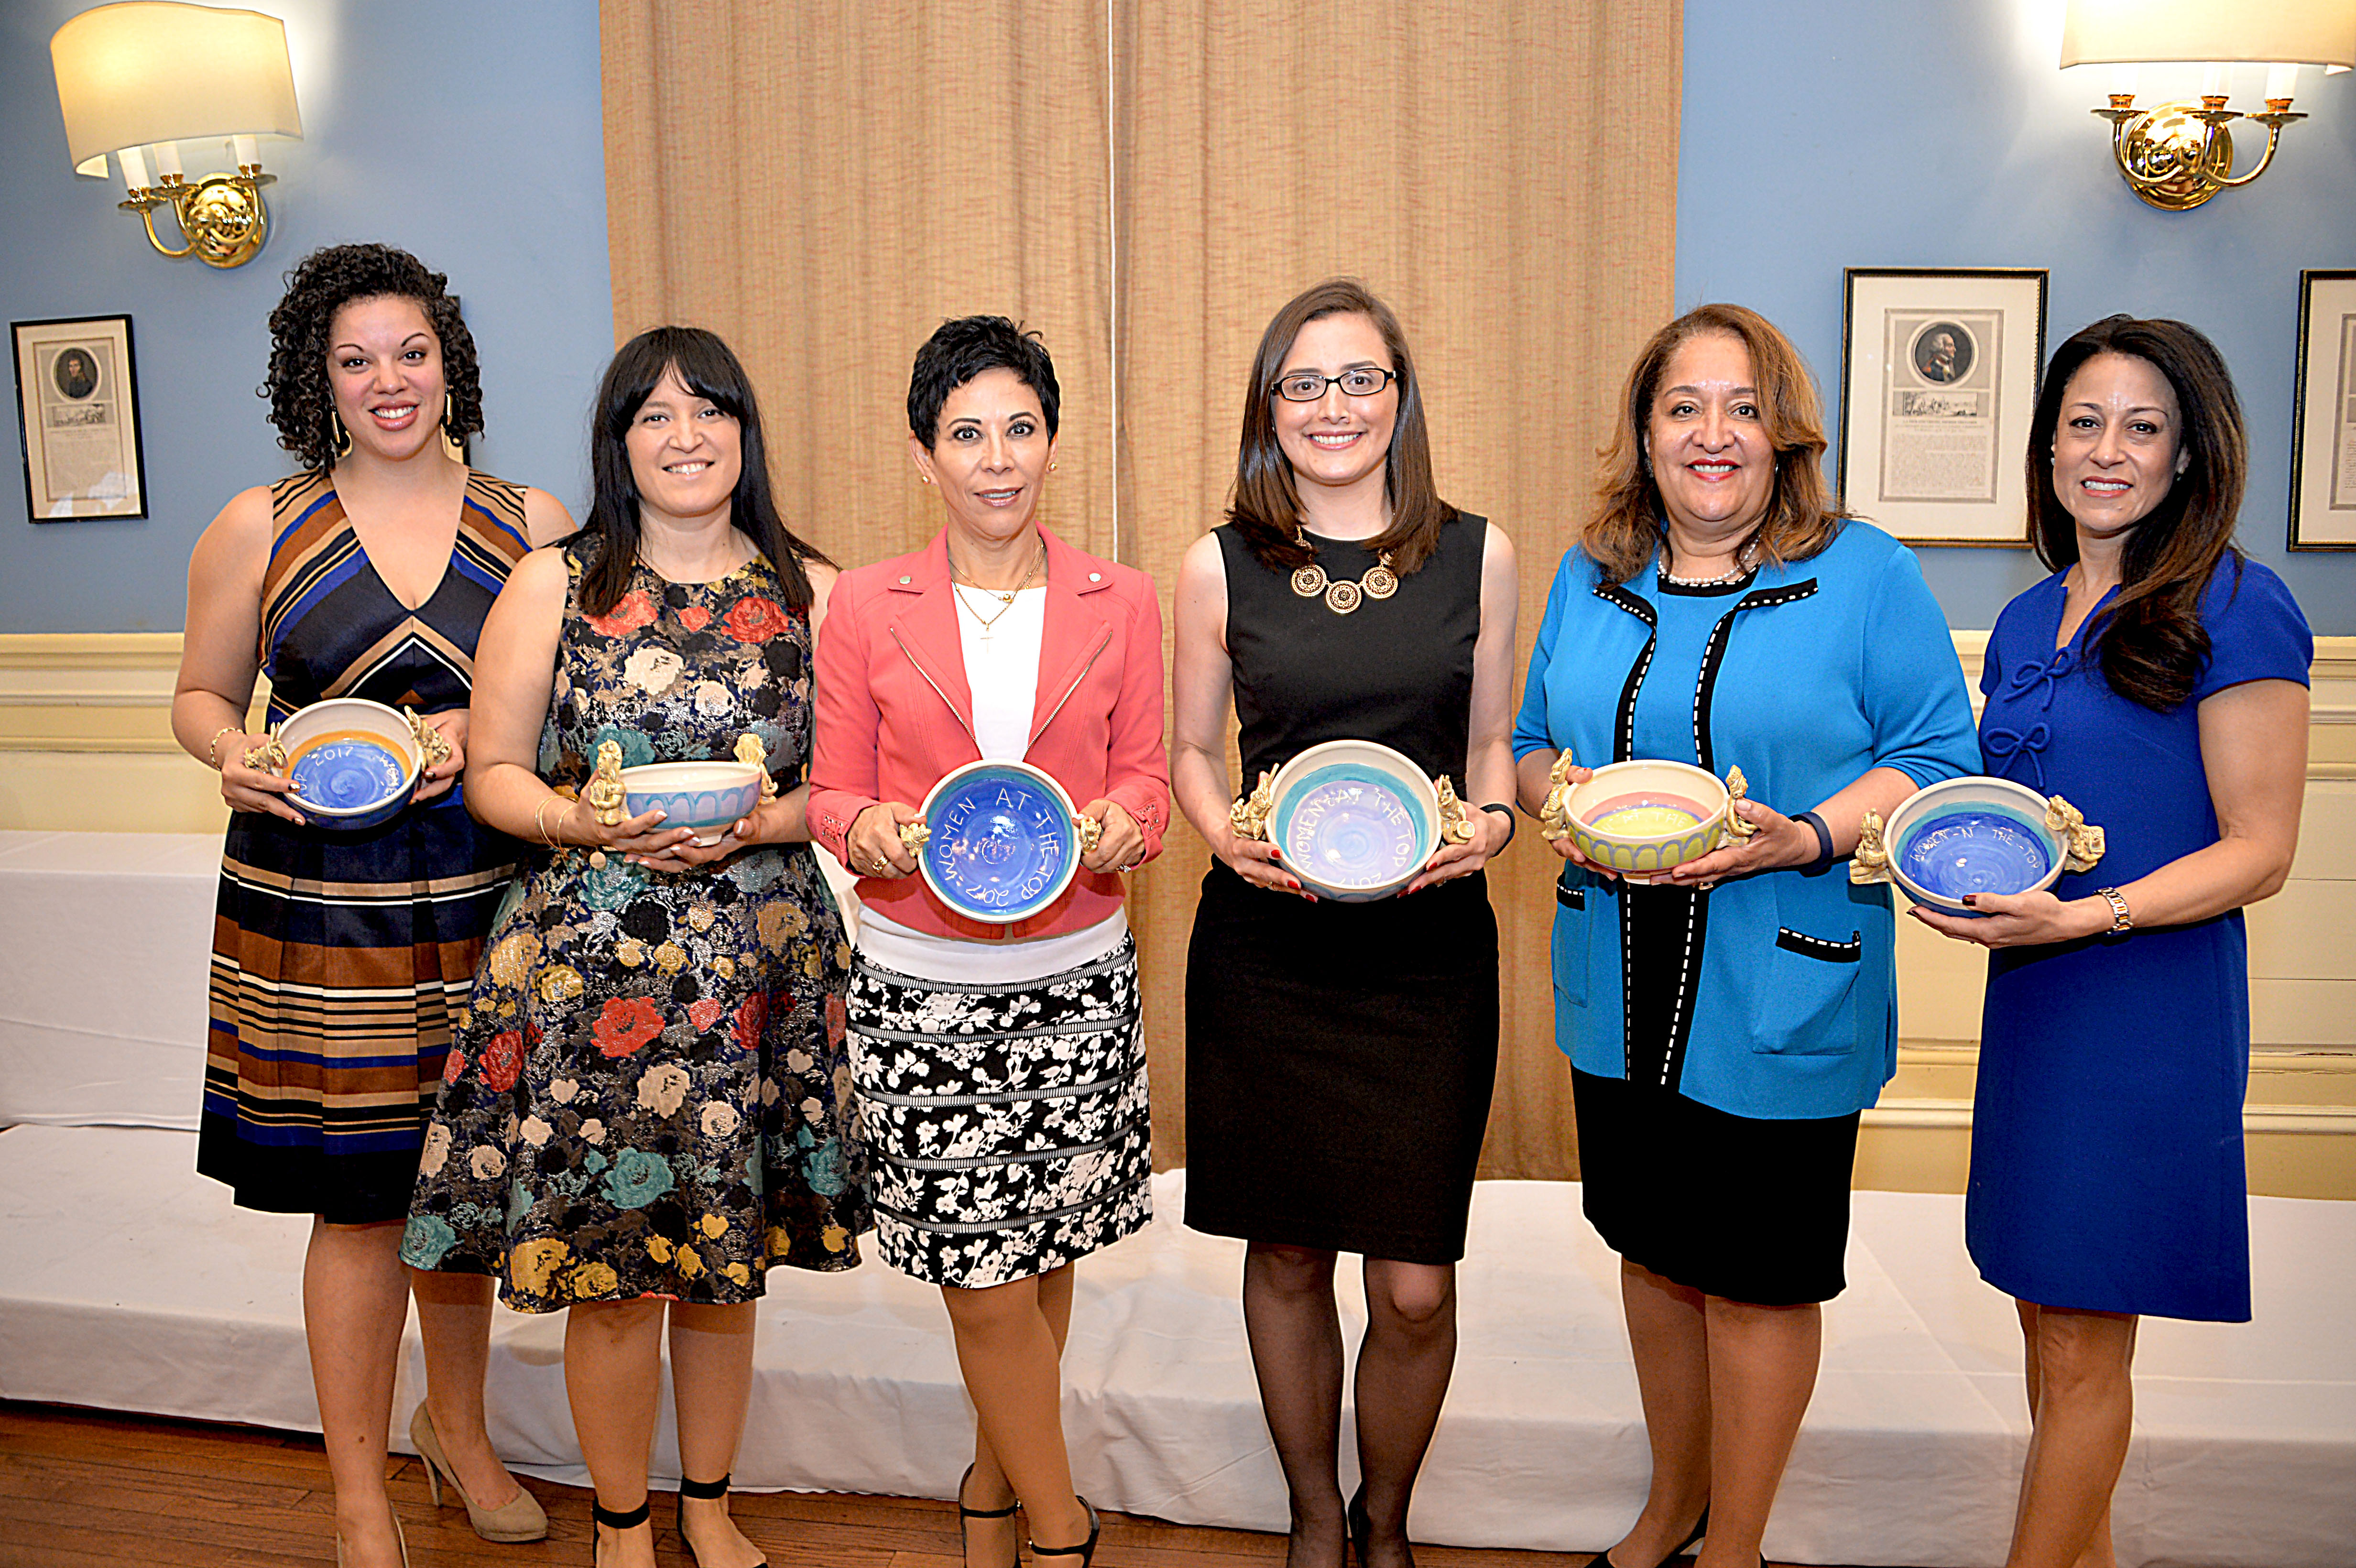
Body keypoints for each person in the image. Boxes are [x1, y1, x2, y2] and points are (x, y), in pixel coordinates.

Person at [1510, 303, 1978, 1568]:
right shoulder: (1591, 570)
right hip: (1618, 973)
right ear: (1645, 432)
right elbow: (1527, 745)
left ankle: (1738, 1549)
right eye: (1684, 408)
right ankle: (1672, 1506)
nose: (1713, 434)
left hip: (1783, 974)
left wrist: (1807, 834)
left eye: (1742, 407)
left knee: (1760, 1277)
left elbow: (1935, 758)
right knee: (1655, 1254)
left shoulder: (1864, 571)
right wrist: (1569, 803)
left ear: (1783, 433)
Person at [399, 326, 867, 1568]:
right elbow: (491, 774)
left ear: (743, 431)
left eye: (708, 410)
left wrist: (762, 821)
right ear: (619, 445)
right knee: (612, 1268)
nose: (685, 436)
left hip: (755, 976)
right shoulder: (556, 579)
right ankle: (621, 1523)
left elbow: (855, 783)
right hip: (589, 976)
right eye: (654, 416)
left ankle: (708, 1509)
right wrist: (579, 816)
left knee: (724, 1264)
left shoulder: (816, 584)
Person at [171, 243, 569, 1568]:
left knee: (459, 1195)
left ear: (448, 359)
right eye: (357, 360)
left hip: (490, 892)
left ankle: (458, 1433)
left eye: (411, 351)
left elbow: (584, 706)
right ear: (318, 380)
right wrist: (230, 753)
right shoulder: (259, 525)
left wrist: (494, 724)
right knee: (360, 1208)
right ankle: (357, 1494)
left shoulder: (539, 521)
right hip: (319, 905)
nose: (389, 381)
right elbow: (199, 697)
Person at [1910, 317, 2310, 1568]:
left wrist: (2087, 915)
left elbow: (2263, 845)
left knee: (2085, 1343)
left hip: (2147, 1007)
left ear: (2189, 454)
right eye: (2084, 422)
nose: (2107, 451)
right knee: (2048, 1320)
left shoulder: (2243, 605)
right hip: (2040, 1002)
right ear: (2046, 446)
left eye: (2144, 427)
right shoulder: (2030, 616)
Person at [807, 315, 1167, 1568]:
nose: (997, 458)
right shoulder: (863, 605)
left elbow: (1147, 784)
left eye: (1020, 429)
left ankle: (992, 1482)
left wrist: (1132, 824)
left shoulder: (1121, 599)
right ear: (925, 455)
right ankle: (1063, 1527)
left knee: (1046, 1238)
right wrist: (878, 833)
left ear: (1052, 443)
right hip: (923, 979)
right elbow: (829, 796)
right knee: (984, 1269)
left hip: (1074, 973)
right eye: (968, 434)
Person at [1171, 278, 1518, 1568]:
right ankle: (1318, 1518)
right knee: (1285, 1249)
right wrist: (1221, 833)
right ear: (1272, 407)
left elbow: (1491, 749)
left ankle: (1391, 1513)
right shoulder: (1219, 561)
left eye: (1360, 378)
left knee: (1416, 1283)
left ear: (1400, 396)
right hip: (1270, 947)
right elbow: (1191, 755)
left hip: (1428, 953)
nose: (1334, 406)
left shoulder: (1482, 553)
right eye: (1305, 383)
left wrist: (1486, 831)